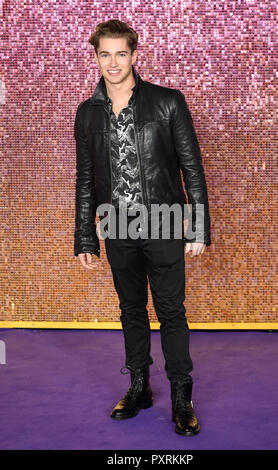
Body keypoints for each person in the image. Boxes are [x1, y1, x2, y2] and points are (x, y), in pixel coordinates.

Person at [74, 19, 211, 436]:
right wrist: (85, 236)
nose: (113, 62)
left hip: (164, 221)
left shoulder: (168, 102)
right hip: (116, 224)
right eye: (105, 54)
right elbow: (84, 178)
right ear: (96, 57)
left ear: (134, 55)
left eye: (120, 53)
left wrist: (199, 227)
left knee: (171, 312)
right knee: (131, 310)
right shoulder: (87, 112)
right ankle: (138, 387)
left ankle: (181, 396)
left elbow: (192, 168)